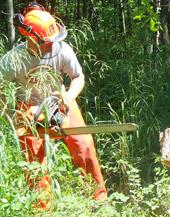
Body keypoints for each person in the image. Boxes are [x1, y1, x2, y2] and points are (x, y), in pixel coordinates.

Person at [0, 3, 107, 208]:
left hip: (59, 100)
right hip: (29, 106)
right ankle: (42, 209)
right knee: (34, 160)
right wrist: (11, 118)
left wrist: (68, 98)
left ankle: (99, 200)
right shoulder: (12, 60)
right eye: (46, 41)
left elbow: (78, 77)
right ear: (31, 38)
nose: (52, 44)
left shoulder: (61, 48)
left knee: (84, 144)